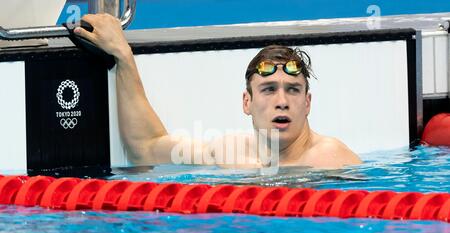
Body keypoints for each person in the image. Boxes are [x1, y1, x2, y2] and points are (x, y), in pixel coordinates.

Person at [74, 14, 362, 169]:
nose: (282, 102)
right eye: (269, 89)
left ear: (308, 103)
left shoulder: (330, 160)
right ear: (246, 102)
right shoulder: (227, 152)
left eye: (293, 90)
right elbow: (145, 149)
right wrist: (124, 57)